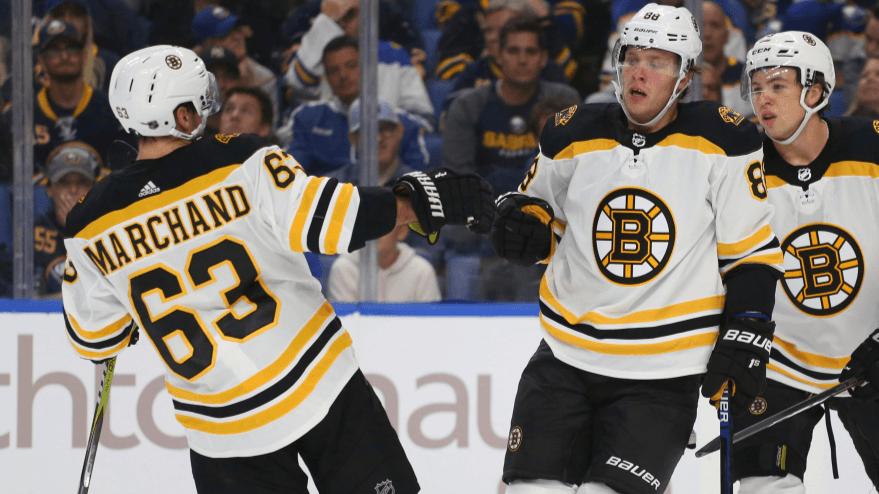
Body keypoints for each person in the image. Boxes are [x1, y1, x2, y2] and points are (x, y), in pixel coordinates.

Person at [61, 45, 494, 494]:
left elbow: (94, 338)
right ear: (185, 118)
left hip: (223, 434)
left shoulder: (89, 223)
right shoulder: (240, 160)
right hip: (318, 387)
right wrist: (412, 203)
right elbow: (331, 219)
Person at [490, 4, 783, 493]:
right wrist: (522, 229)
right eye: (632, 58)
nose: (640, 72)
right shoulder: (570, 132)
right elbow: (541, 224)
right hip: (564, 358)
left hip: (662, 375)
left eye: (660, 61)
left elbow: (751, 254)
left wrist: (748, 327)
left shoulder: (724, 140)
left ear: (685, 77)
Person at [730, 31, 879, 492]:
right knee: (761, 486)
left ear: (816, 90)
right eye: (756, 88)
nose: (762, 99)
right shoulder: (738, 167)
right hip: (779, 365)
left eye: (777, 86)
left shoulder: (872, 147)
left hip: (872, 356)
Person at [284, 36, 429, 177]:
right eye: (334, 71)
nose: (343, 75)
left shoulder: (400, 122)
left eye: (351, 66)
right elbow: (291, 176)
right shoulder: (308, 118)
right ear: (326, 78)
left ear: (368, 69)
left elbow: (417, 180)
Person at [33, 19, 127, 170]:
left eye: (71, 49)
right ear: (41, 61)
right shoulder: (23, 117)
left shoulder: (113, 112)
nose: (64, 57)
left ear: (84, 56)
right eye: (54, 50)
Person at [35, 141, 100, 296]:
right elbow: (61, 281)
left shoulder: (107, 223)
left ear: (94, 187)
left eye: (82, 182)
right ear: (50, 189)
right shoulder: (38, 230)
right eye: (64, 182)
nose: (73, 190)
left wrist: (78, 227)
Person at [328, 224, 441, 302]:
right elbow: (346, 327)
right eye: (367, 225)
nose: (372, 234)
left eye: (382, 225)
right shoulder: (343, 269)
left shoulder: (422, 271)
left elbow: (431, 329)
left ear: (402, 231)